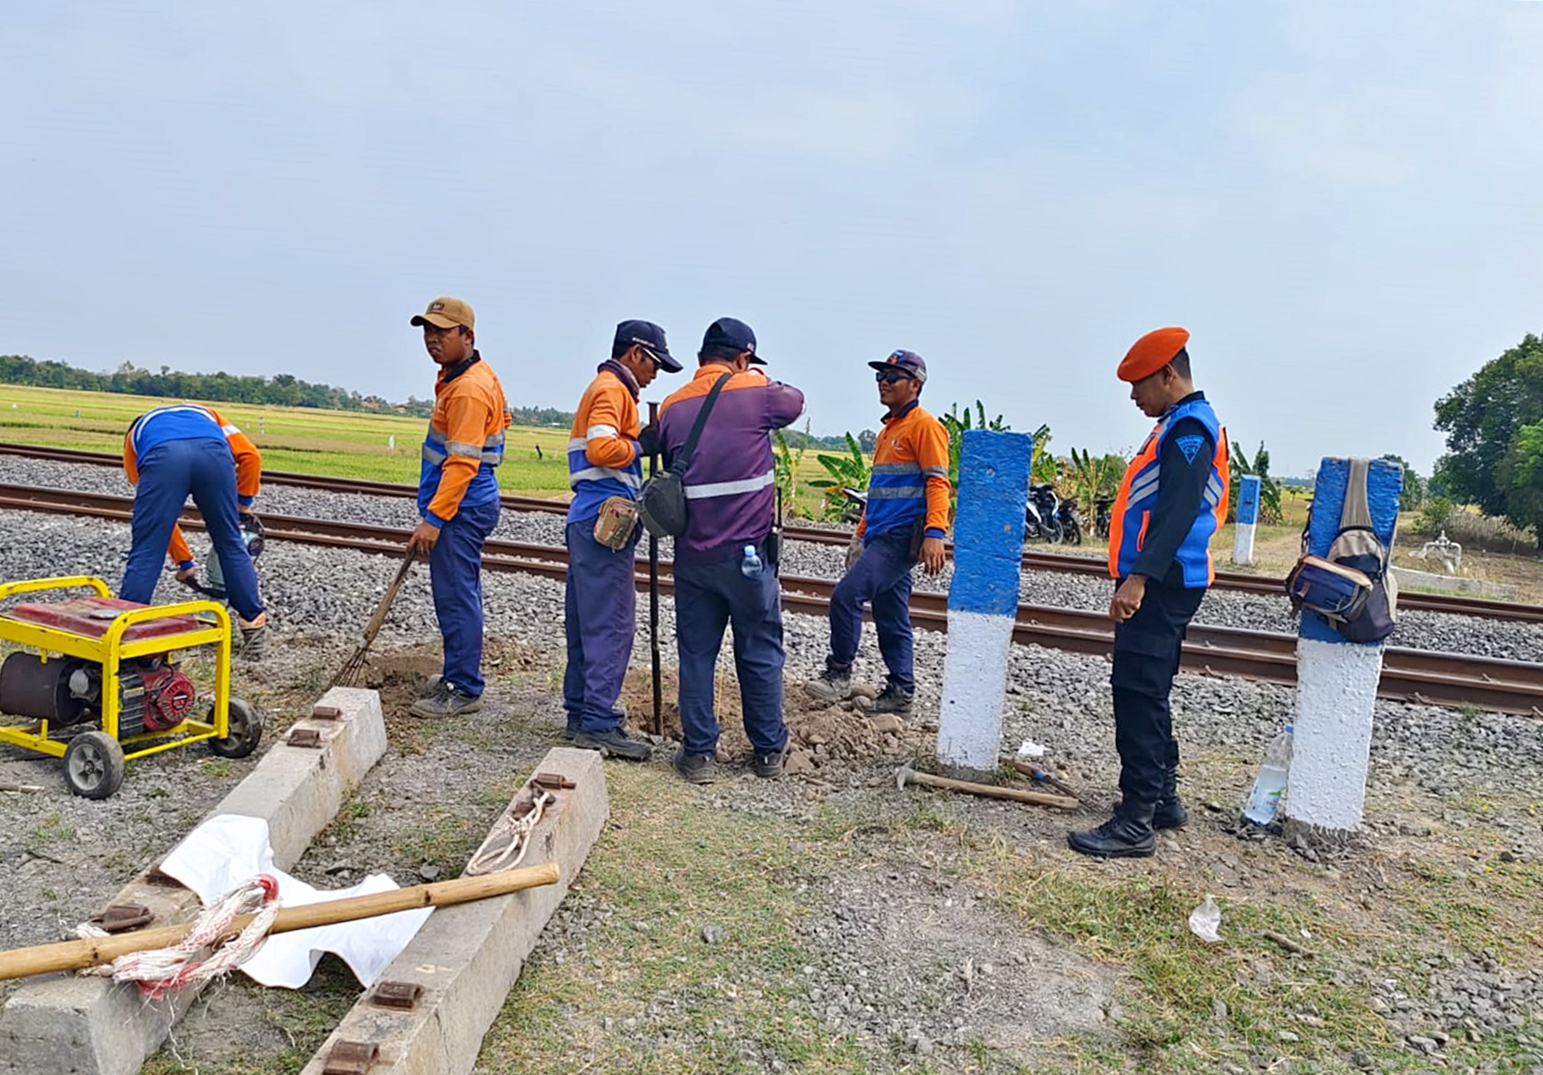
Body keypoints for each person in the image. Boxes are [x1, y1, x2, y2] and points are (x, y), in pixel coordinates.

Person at [1068, 327, 1229, 858]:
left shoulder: (1189, 430)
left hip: (1162, 582)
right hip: (1165, 579)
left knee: (1136, 692)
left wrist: (1138, 579)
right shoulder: (1175, 425)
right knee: (1149, 688)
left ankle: (1135, 820)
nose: (1134, 396)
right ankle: (1162, 798)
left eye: (1140, 384)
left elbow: (1177, 512)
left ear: (1168, 374)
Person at [657, 318, 805, 783]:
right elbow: (795, 401)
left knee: (696, 653)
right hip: (748, 557)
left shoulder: (672, 406)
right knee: (759, 650)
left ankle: (699, 754)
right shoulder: (756, 392)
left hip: (693, 555)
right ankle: (767, 752)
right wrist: (751, 377)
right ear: (742, 358)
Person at [564, 320, 683, 759]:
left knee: (584, 620)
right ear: (636, 353)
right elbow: (600, 450)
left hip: (587, 516)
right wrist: (641, 446)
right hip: (604, 515)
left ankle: (581, 712)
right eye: (654, 364)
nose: (654, 375)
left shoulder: (604, 388)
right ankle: (598, 720)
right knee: (612, 622)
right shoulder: (613, 390)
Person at [804, 350, 949, 714]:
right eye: (880, 376)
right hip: (880, 534)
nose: (883, 382)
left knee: (845, 596)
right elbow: (879, 491)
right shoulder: (889, 431)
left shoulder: (925, 426)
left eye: (893, 377)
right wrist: (860, 533)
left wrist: (935, 533)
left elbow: (937, 483)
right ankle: (900, 692)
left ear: (915, 385)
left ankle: (838, 674)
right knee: (891, 615)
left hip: (902, 536)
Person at [405, 296, 513, 719]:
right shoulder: (468, 376)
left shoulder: (467, 388)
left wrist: (434, 519)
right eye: (427, 332)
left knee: (455, 597)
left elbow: (462, 462)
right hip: (467, 502)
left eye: (442, 332)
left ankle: (463, 686)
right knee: (459, 592)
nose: (432, 340)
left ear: (466, 335)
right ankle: (457, 673)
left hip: (461, 507)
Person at [120, 403, 268, 655]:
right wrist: (243, 505)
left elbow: (158, 526)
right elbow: (251, 457)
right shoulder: (208, 414)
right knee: (230, 542)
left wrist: (184, 562)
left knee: (146, 549)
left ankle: (127, 634)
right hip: (213, 456)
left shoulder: (135, 436)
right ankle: (253, 627)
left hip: (162, 458)